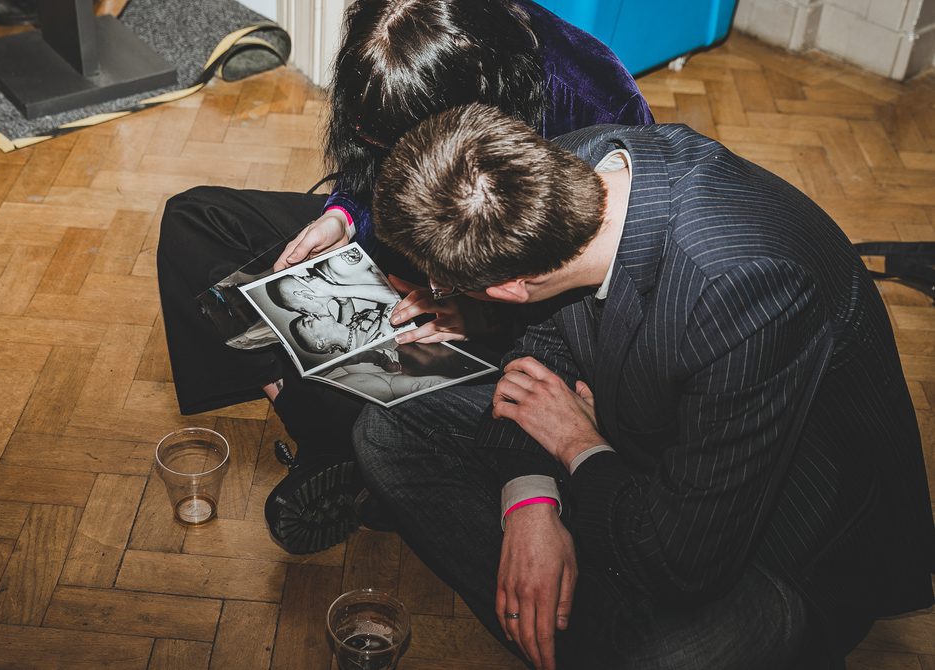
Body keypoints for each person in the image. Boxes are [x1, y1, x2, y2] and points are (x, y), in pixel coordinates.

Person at [356, 104, 935, 669]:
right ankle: (564, 589)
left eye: (444, 283)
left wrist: (578, 447)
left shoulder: (746, 291)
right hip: (638, 440)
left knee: (655, 652)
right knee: (387, 428)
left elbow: (685, 562)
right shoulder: (575, 174)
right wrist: (530, 500)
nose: (434, 289)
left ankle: (563, 606)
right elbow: (540, 353)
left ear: (507, 290)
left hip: (781, 533)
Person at [156, 0, 654, 553]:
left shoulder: (593, 103)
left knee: (412, 402)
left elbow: (592, 297)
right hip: (400, 245)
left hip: (502, 299)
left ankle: (336, 434)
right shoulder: (390, 51)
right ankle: (305, 409)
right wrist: (341, 214)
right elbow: (371, 168)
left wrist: (480, 312)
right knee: (194, 219)